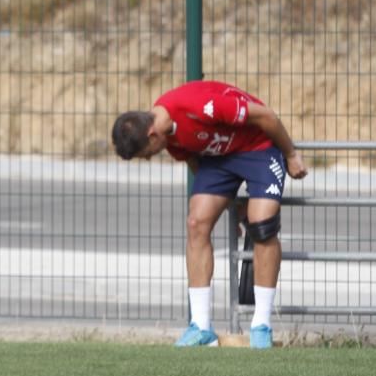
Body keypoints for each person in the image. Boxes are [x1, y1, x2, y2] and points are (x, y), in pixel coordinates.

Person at [111, 80, 308, 349]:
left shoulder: (203, 108)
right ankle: (201, 327)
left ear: (153, 134)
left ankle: (261, 326)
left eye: (146, 154)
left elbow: (266, 115)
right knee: (196, 223)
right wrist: (227, 203)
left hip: (258, 148)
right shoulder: (168, 137)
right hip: (220, 159)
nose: (148, 159)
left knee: (262, 226)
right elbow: (195, 161)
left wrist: (291, 153)